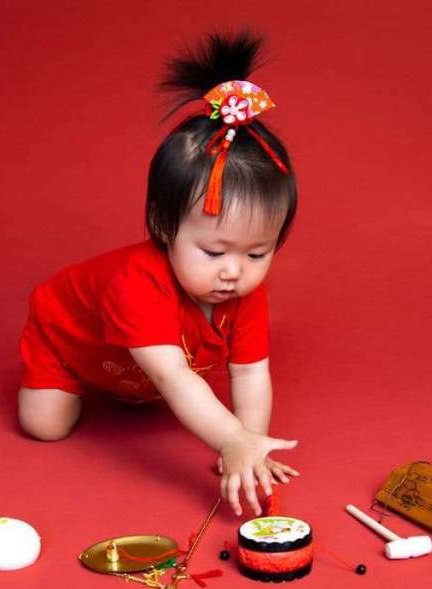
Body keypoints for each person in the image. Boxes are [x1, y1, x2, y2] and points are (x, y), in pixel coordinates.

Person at [18, 31, 299, 517]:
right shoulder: (136, 282)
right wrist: (227, 436)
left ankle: (131, 381)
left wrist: (248, 443)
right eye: (213, 251)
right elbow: (173, 377)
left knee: (160, 382)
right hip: (74, 342)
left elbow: (251, 371)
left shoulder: (241, 289)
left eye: (258, 254)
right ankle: (84, 379)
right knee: (45, 426)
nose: (234, 272)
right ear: (162, 226)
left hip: (149, 366)